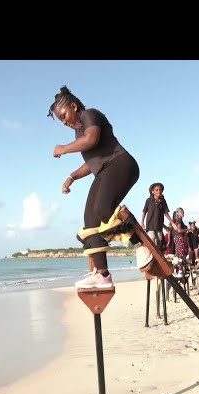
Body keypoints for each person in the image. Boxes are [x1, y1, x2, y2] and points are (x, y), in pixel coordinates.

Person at [49, 85, 149, 289]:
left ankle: (142, 246)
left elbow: (92, 139)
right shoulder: (79, 135)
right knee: (91, 220)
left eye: (64, 116)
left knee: (102, 208)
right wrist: (72, 177)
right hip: (104, 170)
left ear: (74, 106)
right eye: (61, 120)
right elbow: (91, 162)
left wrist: (65, 149)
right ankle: (102, 274)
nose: (65, 122)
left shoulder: (90, 115)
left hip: (121, 164)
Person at [142, 183, 178, 254]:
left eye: (160, 190)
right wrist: (142, 222)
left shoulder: (163, 201)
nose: (158, 191)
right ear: (153, 192)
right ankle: (151, 257)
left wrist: (172, 224)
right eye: (156, 190)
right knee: (151, 244)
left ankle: (158, 260)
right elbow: (144, 211)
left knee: (159, 244)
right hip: (150, 225)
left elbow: (166, 213)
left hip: (159, 226)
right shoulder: (149, 201)